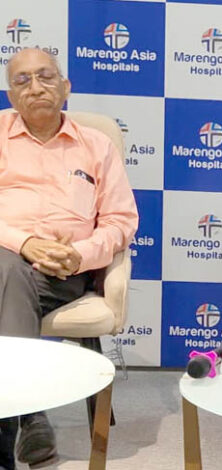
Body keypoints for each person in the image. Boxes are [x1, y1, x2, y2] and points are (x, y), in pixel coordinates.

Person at [0, 48, 138, 470]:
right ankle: (30, 415)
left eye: (45, 77)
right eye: (22, 80)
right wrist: (24, 242)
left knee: (8, 277)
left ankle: (14, 427)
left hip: (65, 274)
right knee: (7, 269)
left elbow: (121, 221)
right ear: (11, 96)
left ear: (65, 87)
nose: (35, 87)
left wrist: (79, 255)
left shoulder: (96, 145)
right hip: (6, 259)